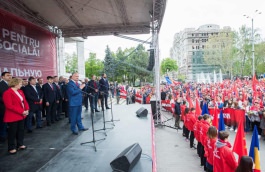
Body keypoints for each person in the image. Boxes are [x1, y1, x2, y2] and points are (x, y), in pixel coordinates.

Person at [3, 78, 29, 154]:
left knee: (20, 130)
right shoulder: (7, 93)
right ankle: (11, 147)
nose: (21, 85)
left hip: (21, 115)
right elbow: (9, 106)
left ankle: (20, 144)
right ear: (15, 84)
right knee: (12, 132)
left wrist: (27, 109)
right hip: (13, 116)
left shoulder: (20, 91)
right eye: (20, 83)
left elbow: (25, 101)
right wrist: (22, 111)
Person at [0, 72, 12, 143]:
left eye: (10, 75)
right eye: (8, 75)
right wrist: (6, 101)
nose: (10, 77)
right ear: (2, 77)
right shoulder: (1, 85)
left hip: (11, 108)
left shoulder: (10, 85)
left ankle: (7, 135)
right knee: (3, 123)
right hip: (2, 107)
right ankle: (2, 137)